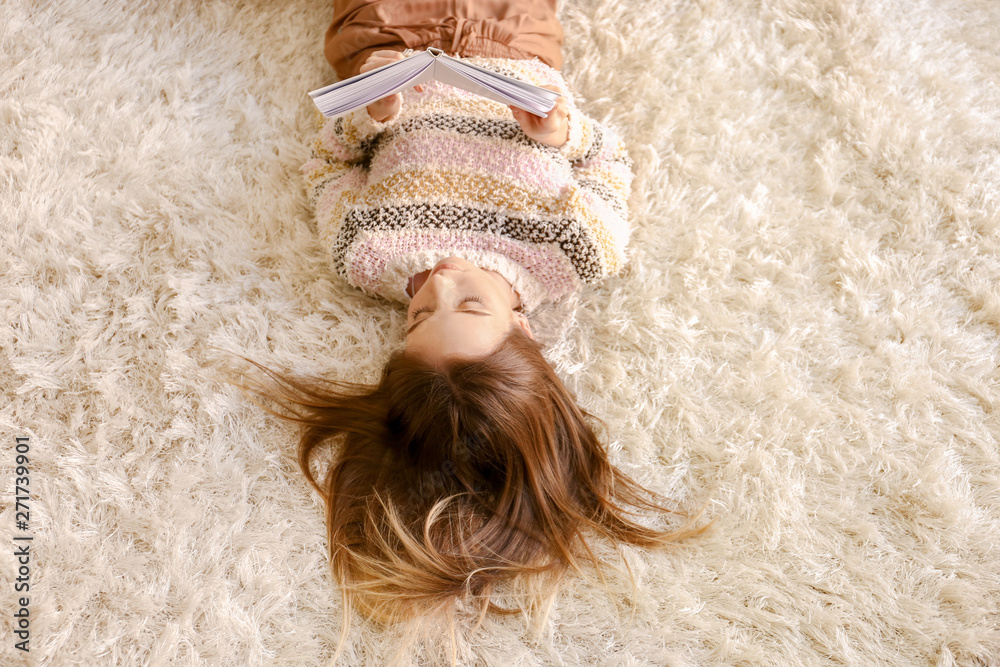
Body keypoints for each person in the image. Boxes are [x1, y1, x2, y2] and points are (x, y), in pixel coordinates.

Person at [251, 0, 706, 644]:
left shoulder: (367, 253)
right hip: (515, 38)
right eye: (468, 306)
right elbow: (610, 163)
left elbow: (327, 166)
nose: (440, 281)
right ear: (524, 330)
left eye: (415, 318)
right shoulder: (574, 250)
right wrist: (563, 137)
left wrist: (369, 111)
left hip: (387, 37)